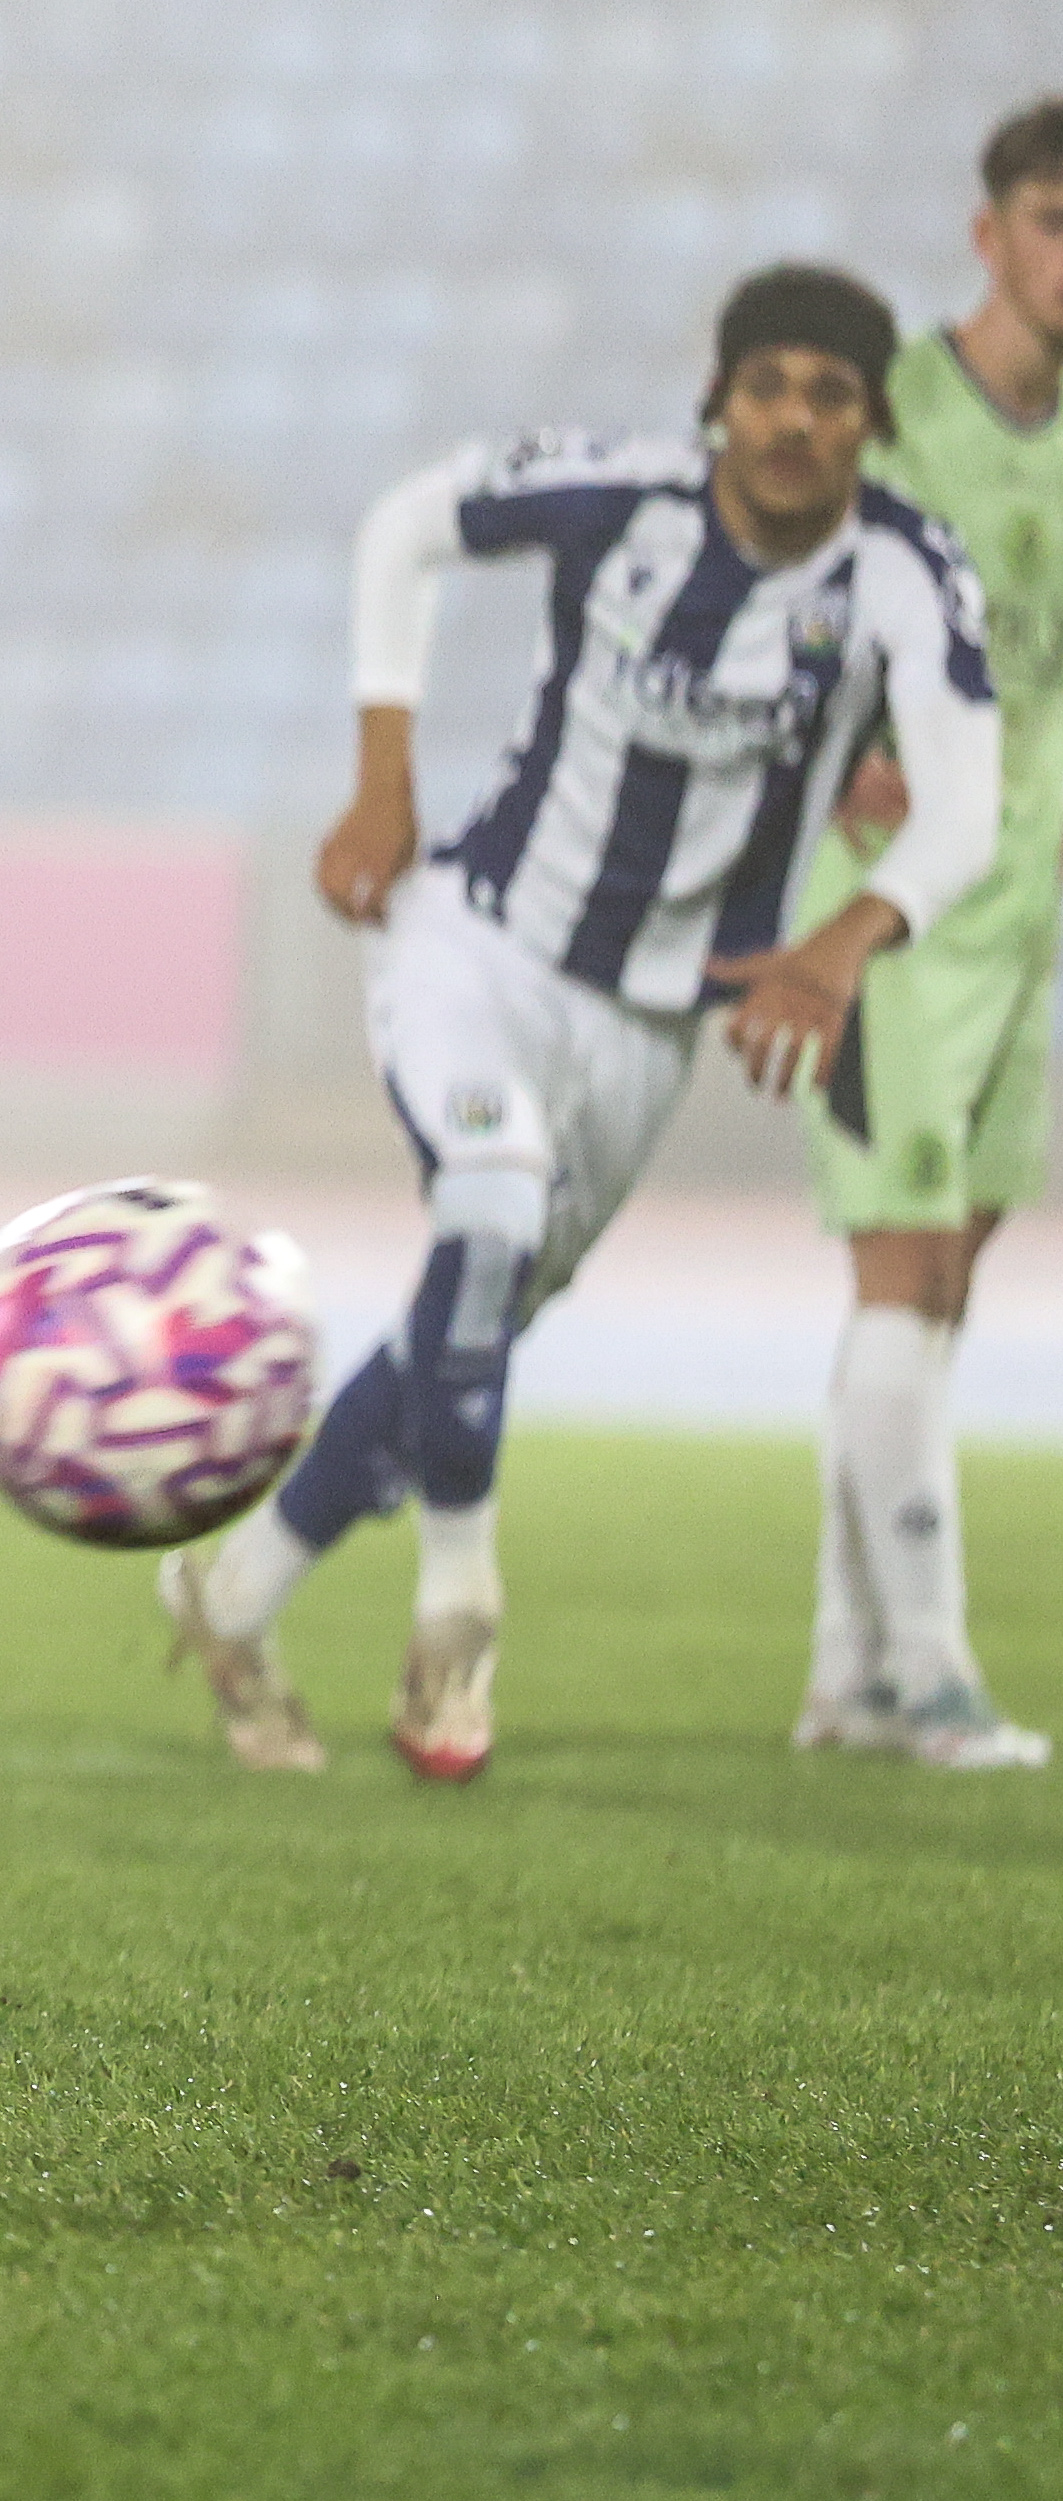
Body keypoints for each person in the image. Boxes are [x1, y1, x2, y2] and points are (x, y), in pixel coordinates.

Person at [195, 264, 1002, 1781]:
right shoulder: (614, 494)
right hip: (479, 942)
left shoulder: (906, 574)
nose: (793, 419)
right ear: (719, 401)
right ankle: (459, 1619)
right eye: (767, 385)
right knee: (489, 1208)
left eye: (831, 395)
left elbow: (965, 813)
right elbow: (404, 527)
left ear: (870, 425)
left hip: (648, 1030)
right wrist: (381, 771)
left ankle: (232, 1594)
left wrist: (839, 940)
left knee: (472, 1319)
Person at [784, 104, 1063, 1773]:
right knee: (898, 1276)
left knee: (942, 1285)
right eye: (1053, 215)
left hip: (1021, 906)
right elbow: (789, 598)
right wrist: (840, 731)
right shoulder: (889, 415)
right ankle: (937, 1672)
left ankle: (847, 1669)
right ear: (988, 234)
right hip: (888, 909)